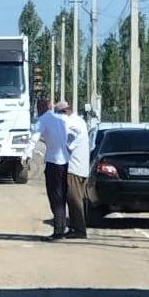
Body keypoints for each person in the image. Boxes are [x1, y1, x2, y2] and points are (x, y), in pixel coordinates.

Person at [34, 98, 70, 240]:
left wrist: (25, 155)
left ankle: (58, 231)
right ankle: (61, 227)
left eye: (38, 107)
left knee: (54, 196)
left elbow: (34, 138)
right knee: (61, 196)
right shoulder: (61, 119)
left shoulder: (43, 120)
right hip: (65, 162)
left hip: (53, 162)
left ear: (42, 108)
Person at [60, 102, 89, 239]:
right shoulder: (80, 121)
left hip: (74, 168)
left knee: (74, 200)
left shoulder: (71, 123)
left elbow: (69, 144)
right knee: (74, 199)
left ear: (65, 111)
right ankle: (74, 227)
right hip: (81, 168)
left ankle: (79, 230)